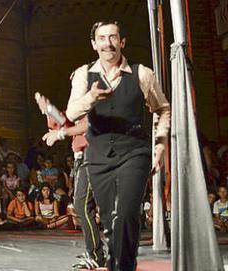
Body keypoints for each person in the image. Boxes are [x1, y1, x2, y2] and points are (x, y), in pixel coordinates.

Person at [66, 21, 171, 271]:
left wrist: (159, 147)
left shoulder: (141, 73)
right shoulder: (83, 74)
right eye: (101, 38)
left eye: (113, 37)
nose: (107, 43)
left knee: (125, 213)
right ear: (94, 44)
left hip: (134, 150)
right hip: (99, 153)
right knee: (111, 223)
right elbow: (71, 111)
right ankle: (118, 263)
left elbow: (163, 109)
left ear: (122, 42)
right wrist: (91, 97)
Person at [36, 91, 104, 268]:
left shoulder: (93, 105)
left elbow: (83, 126)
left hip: (92, 155)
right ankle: (94, 251)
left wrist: (60, 133)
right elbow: (63, 121)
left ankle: (96, 254)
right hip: (82, 158)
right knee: (83, 206)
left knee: (83, 205)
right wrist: (48, 110)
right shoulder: (77, 108)